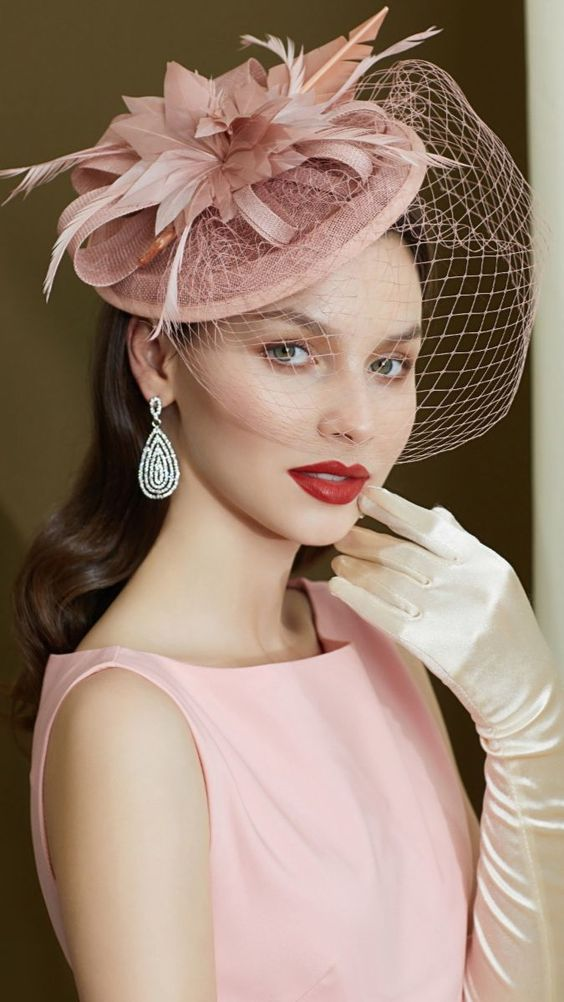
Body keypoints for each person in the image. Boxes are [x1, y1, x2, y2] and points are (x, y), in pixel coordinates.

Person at [2, 7, 563, 1001]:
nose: (357, 420)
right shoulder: (131, 720)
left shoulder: (369, 633)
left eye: (391, 364)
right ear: (160, 356)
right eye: (292, 352)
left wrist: (530, 736)